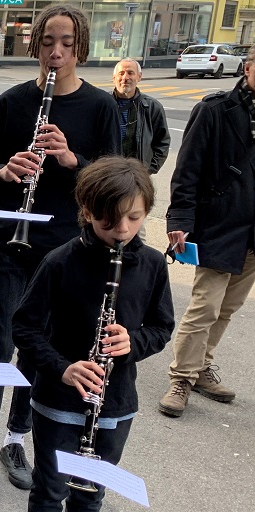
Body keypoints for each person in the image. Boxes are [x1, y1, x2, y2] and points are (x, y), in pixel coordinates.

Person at [0, 3, 121, 495]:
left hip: (62, 251)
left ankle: (15, 439)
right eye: (48, 42)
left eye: (67, 43)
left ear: (80, 47)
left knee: (37, 346)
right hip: (8, 241)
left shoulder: (100, 107)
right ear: (35, 46)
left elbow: (113, 182)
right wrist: (6, 171)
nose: (56, 52)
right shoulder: (13, 101)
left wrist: (71, 160)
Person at [13, 156, 173, 512]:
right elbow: (25, 327)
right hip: (60, 403)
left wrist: (133, 342)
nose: (122, 229)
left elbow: (162, 327)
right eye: (109, 219)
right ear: (86, 211)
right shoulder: (61, 261)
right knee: (50, 488)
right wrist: (63, 369)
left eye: (134, 218)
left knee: (91, 491)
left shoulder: (151, 264)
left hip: (114, 405)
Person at [157, 47, 255, 418]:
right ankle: (181, 378)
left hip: (252, 235)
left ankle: (200, 367)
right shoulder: (215, 110)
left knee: (227, 308)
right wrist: (179, 220)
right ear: (248, 68)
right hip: (219, 226)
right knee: (206, 307)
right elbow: (187, 170)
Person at [111, 58, 170, 175]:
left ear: (139, 77)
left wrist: (149, 170)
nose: (125, 78)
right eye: (121, 73)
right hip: (108, 172)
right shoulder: (104, 104)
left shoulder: (151, 107)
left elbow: (162, 142)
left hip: (136, 175)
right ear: (114, 78)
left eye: (130, 73)